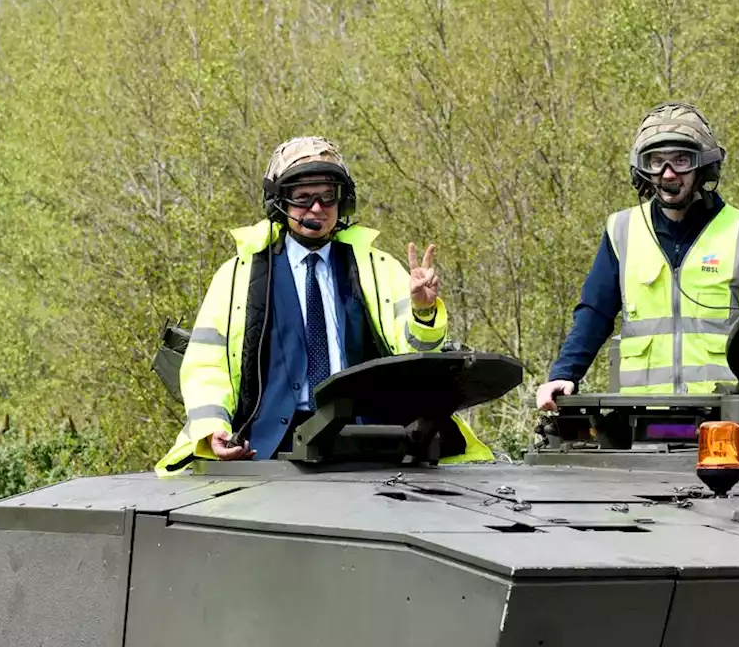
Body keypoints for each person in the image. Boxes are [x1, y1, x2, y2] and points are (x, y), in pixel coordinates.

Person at [156, 136, 492, 473]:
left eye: (327, 196)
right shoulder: (238, 277)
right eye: (303, 198)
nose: (317, 209)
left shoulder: (378, 268)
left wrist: (423, 312)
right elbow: (206, 366)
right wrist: (213, 429)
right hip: (268, 448)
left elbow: (418, 354)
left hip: (370, 443)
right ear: (279, 203)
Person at [537, 102, 739, 408]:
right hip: (641, 420)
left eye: (681, 160)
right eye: (656, 161)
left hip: (728, 419)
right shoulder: (622, 231)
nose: (668, 173)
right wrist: (565, 373)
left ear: (703, 165)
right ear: (642, 169)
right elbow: (595, 312)